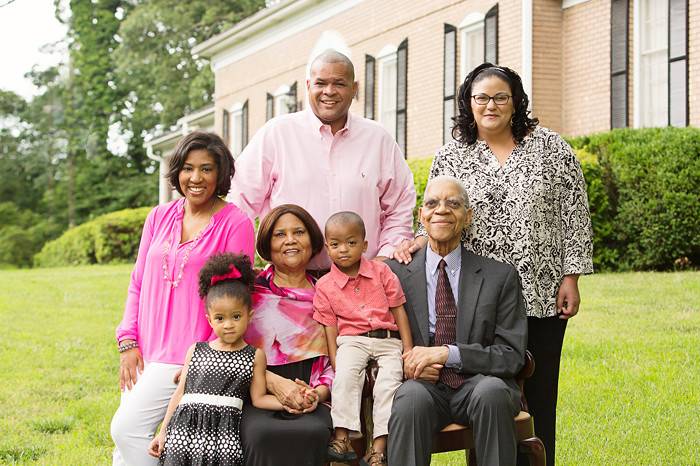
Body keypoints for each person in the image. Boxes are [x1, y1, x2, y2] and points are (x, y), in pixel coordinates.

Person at [393, 63, 594, 466]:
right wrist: (415, 242)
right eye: (481, 97)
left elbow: (575, 213)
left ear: (516, 101)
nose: (491, 105)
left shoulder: (551, 147)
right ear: (468, 103)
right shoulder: (453, 153)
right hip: (476, 293)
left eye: (501, 96)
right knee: (482, 384)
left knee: (537, 392)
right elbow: (438, 209)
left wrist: (571, 275)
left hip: (540, 289)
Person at [111, 131, 255, 466]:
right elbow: (138, 283)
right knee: (128, 448)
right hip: (144, 351)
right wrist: (128, 340)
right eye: (188, 168)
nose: (196, 178)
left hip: (184, 356)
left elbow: (237, 298)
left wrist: (202, 357)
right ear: (177, 171)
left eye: (206, 169)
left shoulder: (236, 224)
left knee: (127, 430)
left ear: (221, 174)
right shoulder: (158, 217)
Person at [228, 49, 416, 271]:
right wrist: (240, 267)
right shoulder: (276, 134)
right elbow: (239, 204)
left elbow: (400, 206)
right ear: (308, 85)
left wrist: (383, 262)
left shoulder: (378, 139)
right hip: (293, 285)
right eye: (321, 83)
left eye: (339, 83)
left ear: (354, 88)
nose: (329, 91)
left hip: (361, 284)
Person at [386, 176, 527, 466]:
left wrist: (448, 353)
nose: (442, 210)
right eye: (432, 203)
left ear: (468, 216)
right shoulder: (394, 274)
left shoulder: (499, 277)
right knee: (410, 399)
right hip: (422, 388)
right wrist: (406, 363)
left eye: (453, 203)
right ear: (421, 216)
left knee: (493, 393)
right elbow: (373, 340)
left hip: (478, 384)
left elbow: (512, 357)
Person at [148, 253, 283, 465]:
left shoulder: (254, 356)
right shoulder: (196, 350)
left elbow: (259, 399)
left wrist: (288, 404)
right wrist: (163, 431)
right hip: (183, 435)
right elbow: (180, 394)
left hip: (223, 440)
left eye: (236, 317)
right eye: (220, 318)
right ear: (209, 320)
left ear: (250, 315)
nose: (228, 324)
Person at [312, 212, 414, 466]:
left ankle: (378, 449)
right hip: (351, 340)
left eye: (351, 242)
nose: (343, 250)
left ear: (364, 245)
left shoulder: (382, 272)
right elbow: (330, 327)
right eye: (335, 245)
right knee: (345, 376)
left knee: (388, 383)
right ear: (327, 247)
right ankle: (342, 437)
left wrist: (408, 348)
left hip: (388, 339)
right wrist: (336, 362)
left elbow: (398, 309)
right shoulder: (325, 285)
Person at [241, 204, 334, 466]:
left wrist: (319, 394)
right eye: (280, 234)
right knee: (260, 435)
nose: (290, 240)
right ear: (267, 244)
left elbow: (339, 356)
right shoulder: (250, 293)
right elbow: (231, 347)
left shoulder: (328, 295)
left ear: (312, 241)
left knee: (313, 432)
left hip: (312, 396)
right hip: (257, 394)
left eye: (299, 232)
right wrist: (270, 382)